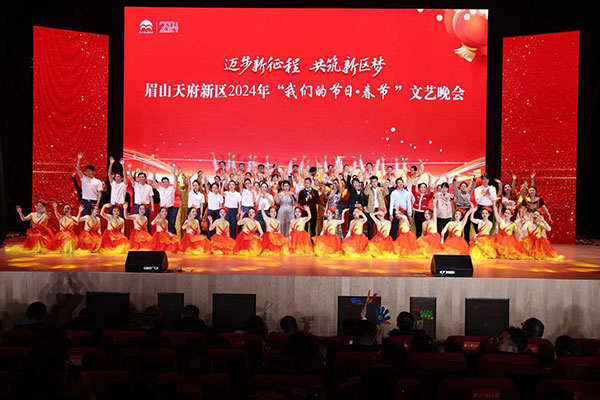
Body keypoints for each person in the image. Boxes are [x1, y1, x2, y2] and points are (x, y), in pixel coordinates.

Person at [127, 163, 154, 233]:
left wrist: (152, 208)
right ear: (138, 178)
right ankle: (137, 236)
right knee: (137, 223)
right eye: (140, 177)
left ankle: (147, 236)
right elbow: (130, 177)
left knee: (146, 222)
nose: (142, 178)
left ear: (145, 178)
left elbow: (151, 198)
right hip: (137, 206)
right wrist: (130, 168)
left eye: (143, 177)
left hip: (146, 206)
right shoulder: (136, 185)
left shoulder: (149, 187)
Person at [152, 167, 179, 234]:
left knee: (172, 224)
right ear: (161, 183)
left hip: (170, 209)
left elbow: (176, 183)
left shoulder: (171, 188)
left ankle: (173, 237)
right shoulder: (160, 189)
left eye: (166, 182)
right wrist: (154, 174)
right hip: (162, 209)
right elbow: (154, 183)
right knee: (162, 224)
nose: (165, 183)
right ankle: (163, 236)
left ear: (169, 182)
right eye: (163, 182)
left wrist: (174, 174)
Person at [452, 173, 477, 241]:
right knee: (458, 226)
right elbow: (454, 186)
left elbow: (473, 186)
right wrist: (455, 178)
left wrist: (474, 178)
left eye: (464, 186)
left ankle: (466, 241)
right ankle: (457, 241)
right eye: (462, 186)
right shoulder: (458, 193)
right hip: (459, 210)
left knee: (467, 226)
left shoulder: (468, 193)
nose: (463, 187)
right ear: (460, 187)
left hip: (467, 210)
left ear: (466, 187)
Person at [175, 168, 190, 239]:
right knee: (179, 223)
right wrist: (177, 175)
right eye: (184, 179)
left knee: (187, 223)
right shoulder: (180, 187)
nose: (185, 181)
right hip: (181, 208)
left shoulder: (190, 188)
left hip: (188, 208)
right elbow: (176, 184)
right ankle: (180, 238)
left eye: (186, 179)